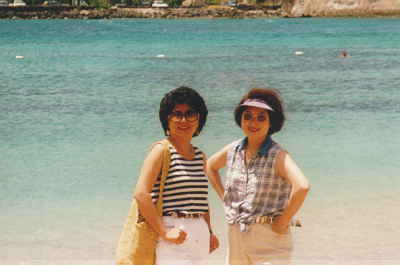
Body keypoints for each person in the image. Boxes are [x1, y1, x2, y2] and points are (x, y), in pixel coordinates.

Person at [206, 88, 310, 265]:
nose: (253, 122)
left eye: (261, 117)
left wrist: (283, 221)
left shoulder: (277, 155)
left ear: (272, 123)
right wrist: (225, 197)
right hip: (236, 234)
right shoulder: (234, 149)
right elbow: (210, 166)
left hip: (268, 237)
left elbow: (302, 186)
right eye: (248, 116)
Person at [134, 86, 219, 265]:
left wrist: (210, 232)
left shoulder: (200, 155)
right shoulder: (161, 150)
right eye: (177, 114)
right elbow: (141, 194)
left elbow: (201, 200)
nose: (183, 120)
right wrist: (164, 232)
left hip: (200, 234)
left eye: (190, 113)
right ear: (167, 119)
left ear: (199, 118)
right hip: (172, 232)